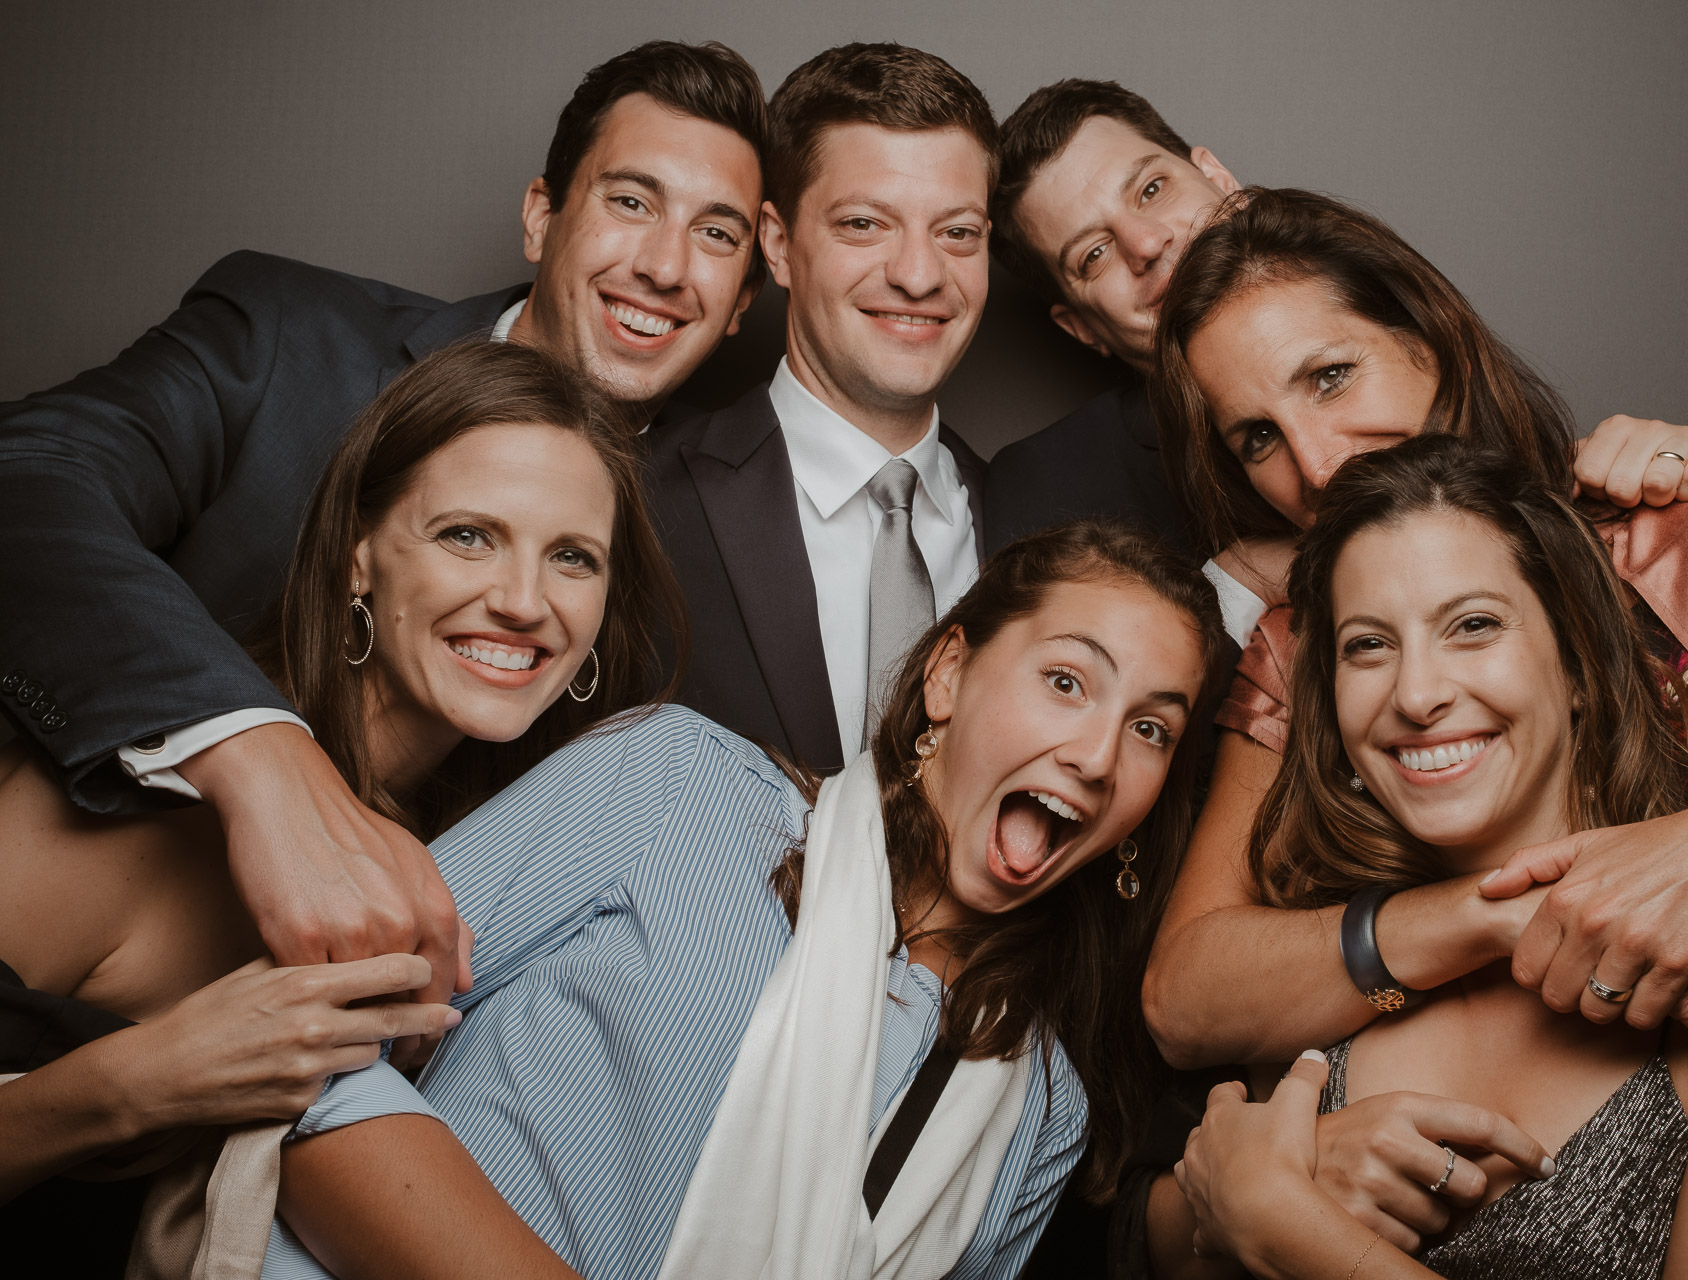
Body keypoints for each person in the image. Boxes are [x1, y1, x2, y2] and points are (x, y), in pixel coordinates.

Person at [1139, 187, 1688, 1251]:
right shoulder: (1304, 639)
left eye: (1331, 376)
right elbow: (1185, 995)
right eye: (1255, 438)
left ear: (1430, 335)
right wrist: (1515, 907)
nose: (1318, 463)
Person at [204, 521, 1234, 1280]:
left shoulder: (1040, 1100)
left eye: (1150, 728)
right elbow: (308, 1047)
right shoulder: (677, 783)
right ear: (949, 676)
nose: (1097, 754)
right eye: (1066, 681)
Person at [0, 40, 769, 1020]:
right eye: (630, 201)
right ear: (542, 216)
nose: (663, 266)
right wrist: (256, 754)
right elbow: (30, 472)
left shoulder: (684, 568)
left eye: (716, 233)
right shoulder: (288, 339)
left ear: (746, 295)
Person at [0, 339, 687, 1272]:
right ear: (358, 558)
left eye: (572, 557)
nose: (525, 601)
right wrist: (148, 1080)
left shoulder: (511, 862)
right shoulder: (148, 808)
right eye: (468, 536)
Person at [1158, 436, 1688, 1278]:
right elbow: (1161, 1229)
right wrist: (1215, 1206)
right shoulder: (1303, 982)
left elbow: (1262, 1219)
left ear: (1577, 663)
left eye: (1473, 626)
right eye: (1368, 645)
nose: (1418, 694)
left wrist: (1292, 1229)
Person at [982, 78, 1688, 561]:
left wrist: (1665, 477)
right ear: (1078, 327)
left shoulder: (1375, 302)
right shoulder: (1051, 483)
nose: (1148, 246)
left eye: (1150, 190)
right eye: (1092, 255)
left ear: (1214, 175)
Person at [651, 42, 999, 773]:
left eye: (957, 233)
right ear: (777, 246)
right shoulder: (641, 500)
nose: (918, 274)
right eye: (864, 225)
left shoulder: (1030, 515)